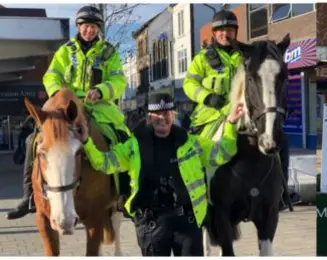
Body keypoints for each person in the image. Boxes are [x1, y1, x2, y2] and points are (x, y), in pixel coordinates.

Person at [75, 93, 244, 256]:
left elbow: (222, 153)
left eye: (166, 114)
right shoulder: (135, 145)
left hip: (187, 223)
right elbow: (104, 163)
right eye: (157, 115)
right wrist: (86, 142)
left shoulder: (190, 142)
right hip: (152, 225)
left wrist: (230, 123)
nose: (162, 119)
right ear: (149, 117)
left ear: (173, 116)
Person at [6, 6, 130, 220]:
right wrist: (59, 94)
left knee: (121, 136)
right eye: (85, 26)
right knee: (31, 141)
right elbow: (51, 76)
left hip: (98, 107)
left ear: (98, 29)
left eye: (93, 27)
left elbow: (119, 80)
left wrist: (100, 91)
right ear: (78, 27)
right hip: (65, 109)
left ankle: (126, 195)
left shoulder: (108, 52)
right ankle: (29, 197)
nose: (89, 31)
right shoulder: (65, 51)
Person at [182, 8, 291, 211]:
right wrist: (208, 97)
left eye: (230, 30)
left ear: (236, 32)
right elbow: (189, 84)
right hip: (211, 116)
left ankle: (281, 192)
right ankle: (195, 196)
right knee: (195, 150)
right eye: (221, 30)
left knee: (280, 139)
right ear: (214, 34)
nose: (226, 34)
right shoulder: (203, 59)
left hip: (246, 114)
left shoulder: (248, 54)